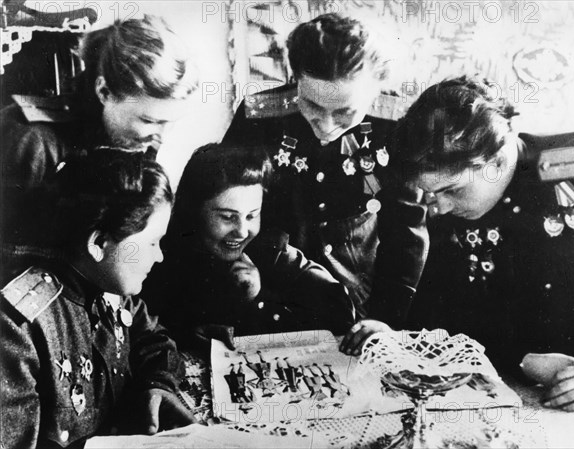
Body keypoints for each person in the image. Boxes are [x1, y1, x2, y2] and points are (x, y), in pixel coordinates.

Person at [393, 75, 574, 412]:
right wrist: (523, 358)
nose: (439, 207)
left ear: (499, 160)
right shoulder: (451, 207)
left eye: (451, 190)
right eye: (430, 193)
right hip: (513, 395)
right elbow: (438, 321)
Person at [222, 13, 428, 348]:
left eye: (345, 111)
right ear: (295, 79)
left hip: (358, 293)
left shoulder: (397, 126)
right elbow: (221, 206)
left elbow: (406, 232)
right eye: (312, 105)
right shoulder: (259, 117)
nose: (327, 125)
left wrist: (386, 319)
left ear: (376, 90)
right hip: (271, 285)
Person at [0, 150, 195, 449]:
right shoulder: (18, 325)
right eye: (152, 242)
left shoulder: (107, 284)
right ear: (98, 244)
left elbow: (153, 340)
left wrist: (157, 385)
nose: (159, 256)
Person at [0, 14, 198, 270]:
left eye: (170, 122)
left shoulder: (136, 140)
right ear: (103, 91)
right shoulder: (32, 139)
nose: (162, 136)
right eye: (150, 121)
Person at [143, 143, 355, 353]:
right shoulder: (157, 255)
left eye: (252, 215)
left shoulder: (270, 251)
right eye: (227, 217)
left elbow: (340, 312)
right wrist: (185, 336)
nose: (242, 232)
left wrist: (260, 298)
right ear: (194, 210)